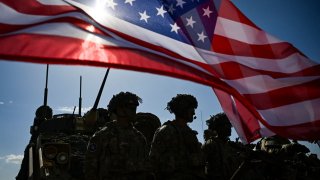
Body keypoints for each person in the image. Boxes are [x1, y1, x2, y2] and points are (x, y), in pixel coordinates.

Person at [84, 92, 151, 180]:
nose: (134, 111)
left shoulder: (140, 138)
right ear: (119, 110)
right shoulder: (101, 136)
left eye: (135, 108)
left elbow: (145, 167)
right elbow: (90, 169)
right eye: (131, 108)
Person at [149, 94, 204, 180]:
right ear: (182, 109)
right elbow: (153, 162)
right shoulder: (166, 130)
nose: (193, 112)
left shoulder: (191, 134)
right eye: (191, 109)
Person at [202, 112, 259, 180]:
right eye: (225, 125)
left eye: (229, 124)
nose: (229, 127)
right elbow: (200, 166)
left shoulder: (233, 146)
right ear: (218, 128)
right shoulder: (211, 144)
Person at [16, 105, 53, 180]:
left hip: (48, 144)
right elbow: (35, 135)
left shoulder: (53, 123)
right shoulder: (38, 121)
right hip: (37, 143)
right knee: (29, 151)